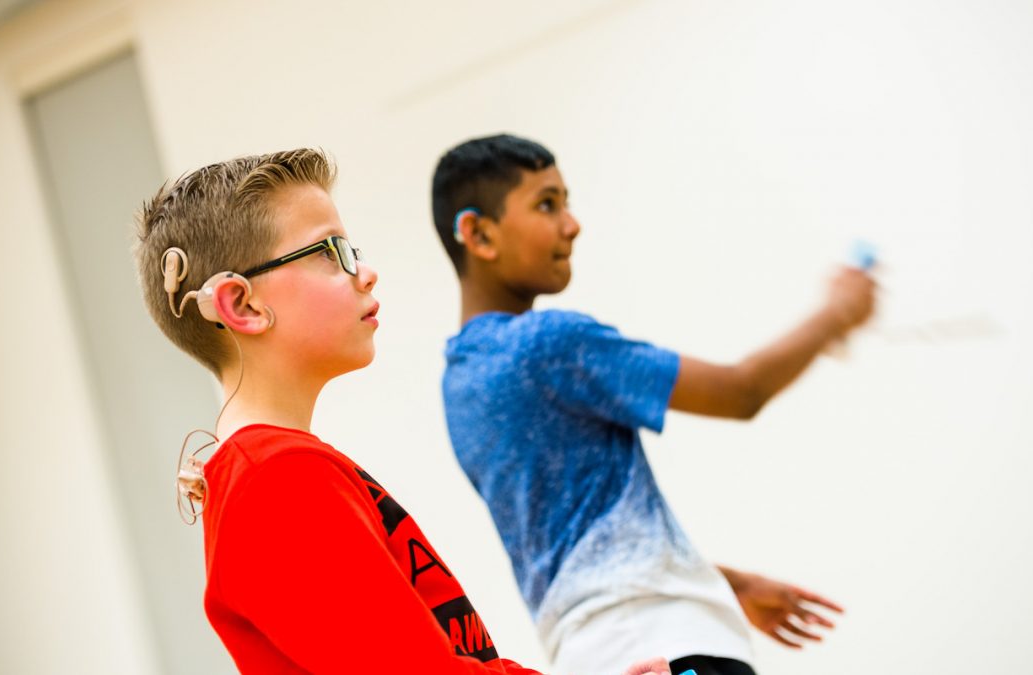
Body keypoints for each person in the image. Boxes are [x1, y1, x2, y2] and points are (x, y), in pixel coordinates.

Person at [134, 148, 668, 674]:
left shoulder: (275, 469)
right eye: (330, 251)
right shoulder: (277, 476)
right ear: (242, 305)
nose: (365, 272)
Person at [433, 134, 876, 675]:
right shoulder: (550, 343)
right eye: (547, 204)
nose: (572, 224)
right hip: (670, 648)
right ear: (477, 234)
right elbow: (741, 391)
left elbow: (580, 542)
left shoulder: (460, 385)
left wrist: (724, 582)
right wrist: (838, 312)